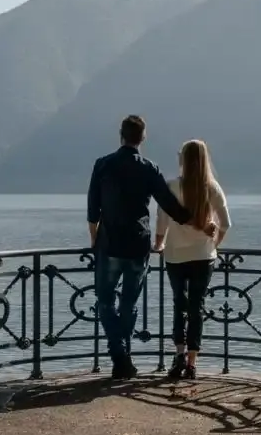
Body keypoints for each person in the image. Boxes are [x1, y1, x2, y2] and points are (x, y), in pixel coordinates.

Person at [86, 115, 215, 381]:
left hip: (108, 245)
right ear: (142, 138)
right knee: (129, 303)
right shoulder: (149, 169)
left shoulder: (102, 165)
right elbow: (171, 207)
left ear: (120, 135)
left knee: (105, 301)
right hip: (137, 245)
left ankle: (119, 355)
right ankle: (123, 355)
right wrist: (203, 226)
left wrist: (94, 240)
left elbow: (92, 210)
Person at [153, 139, 230, 381]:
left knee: (180, 304)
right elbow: (226, 224)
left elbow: (161, 222)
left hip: (175, 256)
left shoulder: (171, 187)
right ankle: (192, 363)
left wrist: (158, 244)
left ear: (183, 160)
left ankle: (178, 353)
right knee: (197, 308)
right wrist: (213, 246)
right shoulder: (212, 188)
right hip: (203, 256)